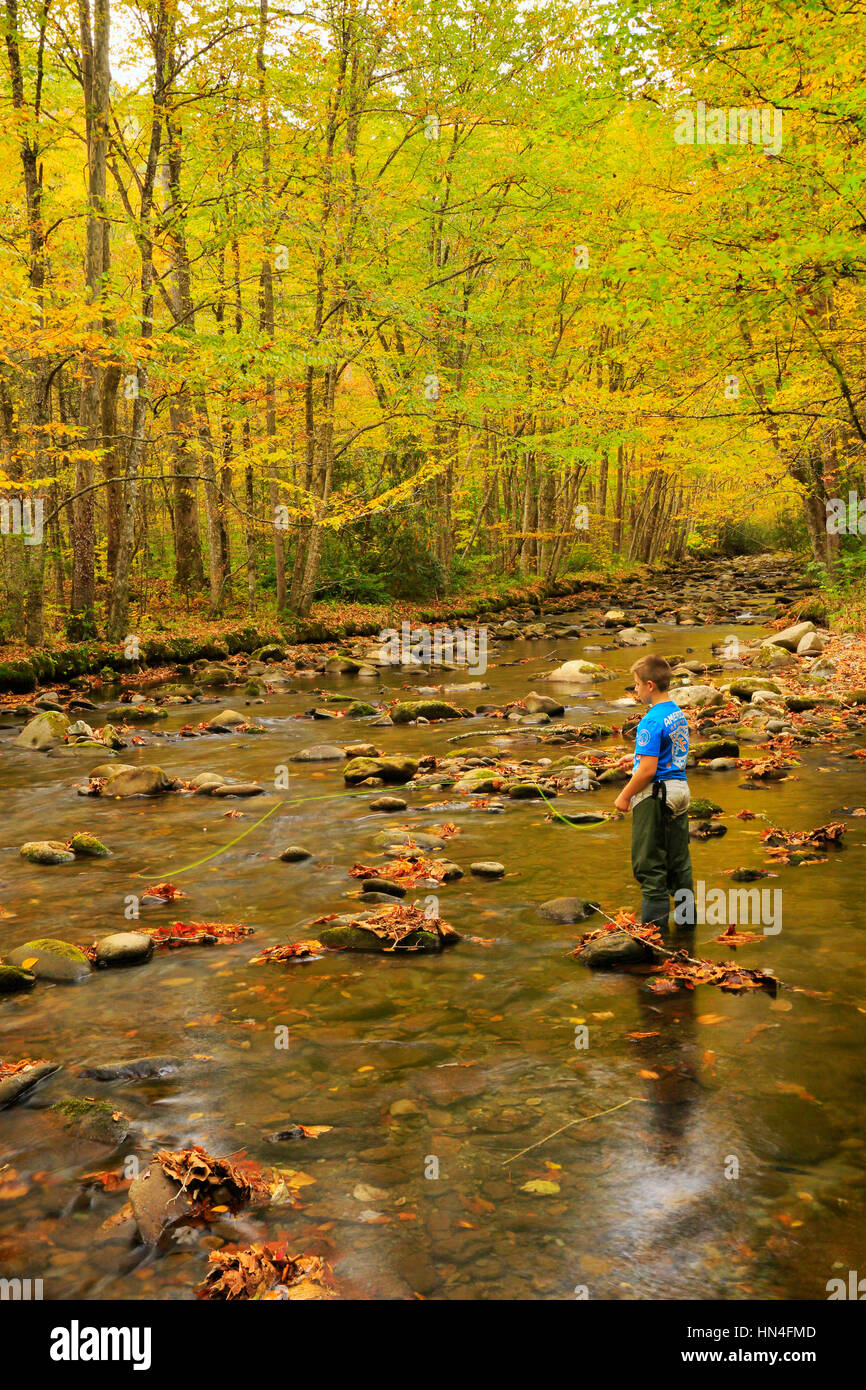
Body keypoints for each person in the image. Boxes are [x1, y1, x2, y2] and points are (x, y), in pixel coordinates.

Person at [612, 654, 694, 932]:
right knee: (679, 864)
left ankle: (654, 936)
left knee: (649, 866)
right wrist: (634, 757)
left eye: (636, 684)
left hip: (657, 795)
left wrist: (624, 796)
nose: (635, 689)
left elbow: (647, 772)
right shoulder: (675, 712)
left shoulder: (650, 720)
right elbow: (667, 752)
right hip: (680, 791)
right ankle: (686, 931)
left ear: (650, 685)